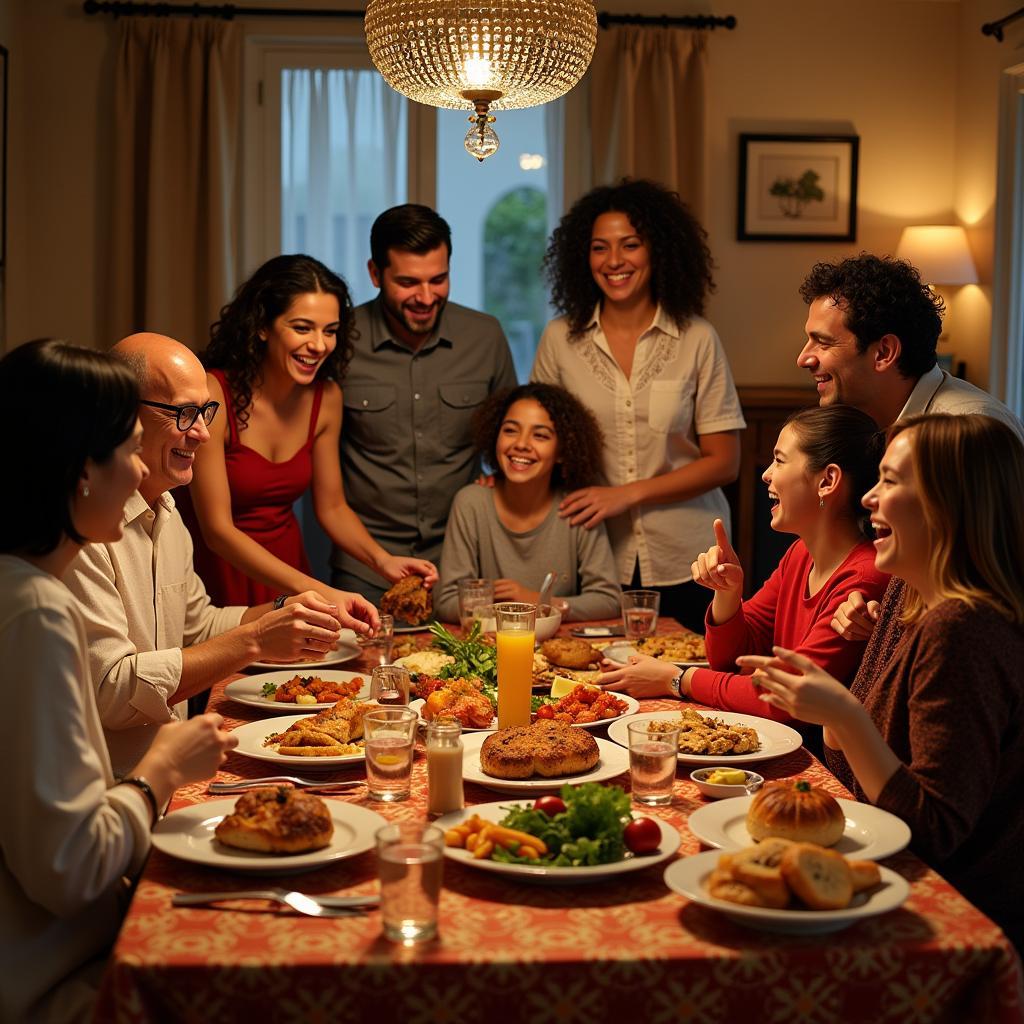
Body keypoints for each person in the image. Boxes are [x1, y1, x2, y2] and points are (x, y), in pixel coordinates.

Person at [0, 340, 236, 1023]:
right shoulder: (37, 607)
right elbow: (71, 869)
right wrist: (162, 770)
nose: (139, 473)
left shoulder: (24, 581)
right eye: (129, 451)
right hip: (54, 976)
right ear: (81, 470)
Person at [740, 414, 1024, 951]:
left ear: (948, 503)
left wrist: (843, 712)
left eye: (890, 482)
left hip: (957, 919)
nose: (868, 498)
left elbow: (934, 831)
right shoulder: (907, 596)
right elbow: (857, 773)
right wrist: (837, 721)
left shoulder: (963, 627)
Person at [64, 333, 375, 776]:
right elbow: (112, 692)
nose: (203, 433)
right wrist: (255, 641)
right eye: (184, 413)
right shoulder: (85, 530)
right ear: (121, 412)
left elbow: (198, 626)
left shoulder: (169, 514)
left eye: (206, 411)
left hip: (174, 768)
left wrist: (287, 611)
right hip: (114, 788)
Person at [598, 406, 889, 750]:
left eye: (780, 461)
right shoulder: (800, 554)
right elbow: (730, 660)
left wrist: (677, 679)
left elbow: (783, 699)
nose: (766, 474)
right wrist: (728, 593)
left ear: (827, 481)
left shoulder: (864, 575)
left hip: (815, 758)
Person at [531, 178, 746, 633]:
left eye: (630, 244)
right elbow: (539, 436)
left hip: (689, 557)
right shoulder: (559, 340)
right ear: (580, 256)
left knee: (691, 679)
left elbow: (725, 462)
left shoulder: (697, 338)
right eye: (599, 247)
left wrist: (625, 494)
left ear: (658, 250)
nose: (614, 261)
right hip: (595, 557)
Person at [797, 254, 1024, 668]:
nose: (804, 357)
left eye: (823, 342)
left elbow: (984, 602)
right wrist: (878, 612)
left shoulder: (964, 430)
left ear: (884, 351)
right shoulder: (877, 426)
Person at [181, 254, 436, 608]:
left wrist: (383, 561)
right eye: (303, 328)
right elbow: (218, 532)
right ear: (262, 326)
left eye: (329, 331)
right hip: (219, 572)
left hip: (289, 567)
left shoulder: (326, 398)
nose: (319, 345)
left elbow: (331, 507)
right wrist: (312, 589)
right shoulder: (214, 394)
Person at [332, 204, 518, 606]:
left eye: (439, 279)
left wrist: (499, 478)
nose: (425, 297)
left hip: (462, 566)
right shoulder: (338, 340)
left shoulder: (484, 336)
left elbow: (512, 434)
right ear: (375, 274)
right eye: (408, 282)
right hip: (364, 567)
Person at [435, 383, 621, 622]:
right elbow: (446, 602)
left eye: (540, 435)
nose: (521, 444)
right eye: (510, 430)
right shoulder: (471, 503)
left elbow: (608, 600)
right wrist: (496, 605)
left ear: (563, 451)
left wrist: (537, 601)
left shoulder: (579, 506)